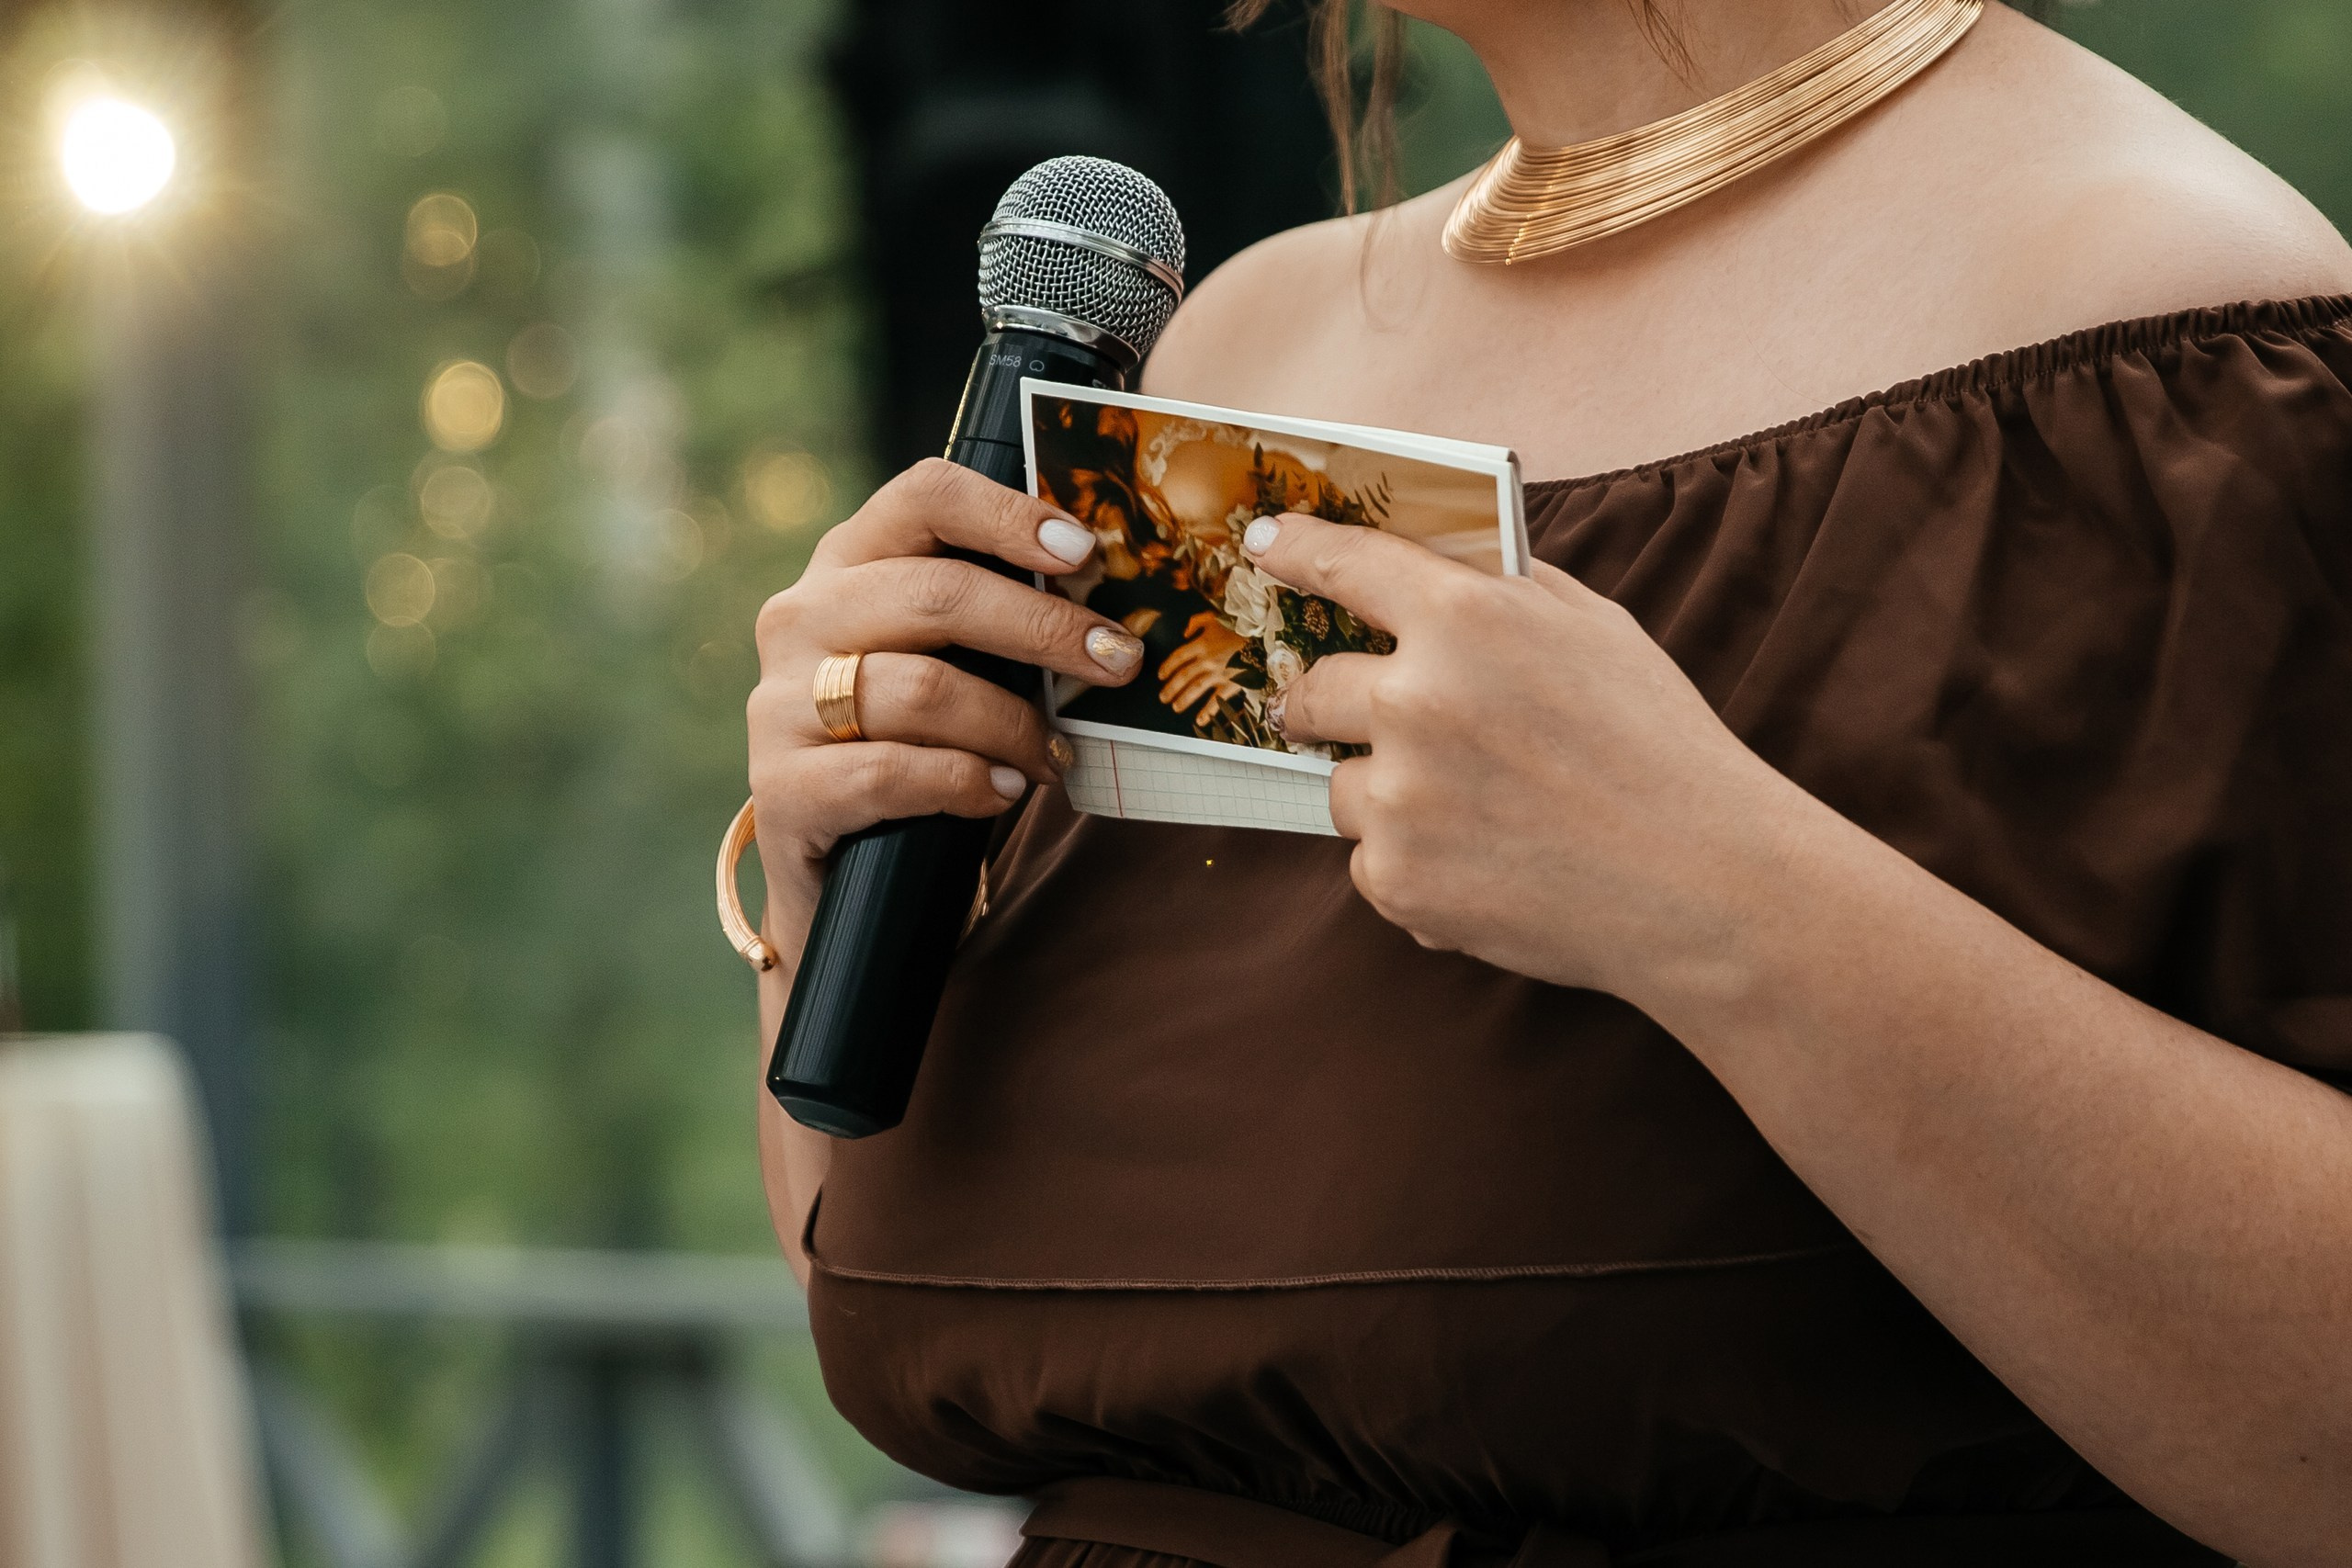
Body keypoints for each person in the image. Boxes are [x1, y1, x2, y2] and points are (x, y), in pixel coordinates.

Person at [743, 2, 2352, 1562]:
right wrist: (831, 862)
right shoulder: (1232, 342)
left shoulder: (2190, 340)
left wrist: (1720, 899)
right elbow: (893, 1276)